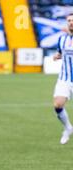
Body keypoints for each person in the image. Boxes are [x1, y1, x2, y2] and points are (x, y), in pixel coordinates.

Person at [53, 13, 73, 145]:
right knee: (58, 105)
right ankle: (68, 128)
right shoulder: (62, 39)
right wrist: (57, 56)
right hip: (65, 78)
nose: (71, 23)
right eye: (69, 21)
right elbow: (61, 52)